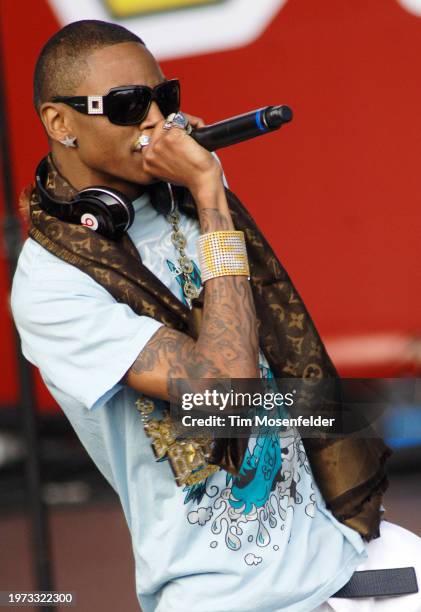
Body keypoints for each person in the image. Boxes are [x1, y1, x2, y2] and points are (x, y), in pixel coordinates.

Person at [11, 20, 421, 612]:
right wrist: (208, 192)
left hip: (340, 557)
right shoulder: (51, 286)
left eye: (164, 98)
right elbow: (228, 393)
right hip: (228, 596)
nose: (155, 121)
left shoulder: (182, 194)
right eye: (128, 105)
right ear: (59, 123)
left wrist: (203, 194)